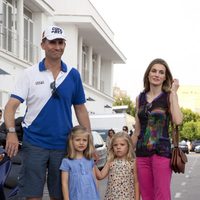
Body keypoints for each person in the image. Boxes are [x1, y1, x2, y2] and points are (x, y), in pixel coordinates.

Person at [4, 25, 91, 200]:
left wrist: (88, 139)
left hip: (62, 145)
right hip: (34, 144)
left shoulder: (73, 75)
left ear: (64, 45)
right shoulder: (29, 73)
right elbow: (10, 106)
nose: (57, 47)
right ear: (43, 44)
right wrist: (11, 133)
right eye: (52, 42)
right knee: (32, 194)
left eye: (60, 42)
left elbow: (80, 109)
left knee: (60, 194)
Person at [132, 58, 183, 200]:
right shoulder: (139, 98)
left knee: (162, 196)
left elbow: (178, 120)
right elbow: (137, 131)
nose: (157, 74)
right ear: (148, 74)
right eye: (154, 71)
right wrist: (125, 151)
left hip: (161, 153)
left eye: (161, 72)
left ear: (165, 77)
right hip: (142, 154)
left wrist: (173, 93)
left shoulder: (168, 97)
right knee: (147, 196)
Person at [95, 132, 140, 200]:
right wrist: (92, 163)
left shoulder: (132, 162)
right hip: (112, 197)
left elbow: (136, 182)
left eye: (122, 144)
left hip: (127, 197)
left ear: (128, 146)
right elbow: (100, 176)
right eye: (115, 145)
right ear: (112, 147)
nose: (118, 147)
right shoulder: (110, 161)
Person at [60, 125, 99, 200]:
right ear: (71, 141)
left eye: (84, 140)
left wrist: (97, 195)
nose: (81, 143)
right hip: (76, 196)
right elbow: (64, 183)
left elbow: (94, 179)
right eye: (78, 140)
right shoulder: (67, 162)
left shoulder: (90, 160)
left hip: (91, 196)